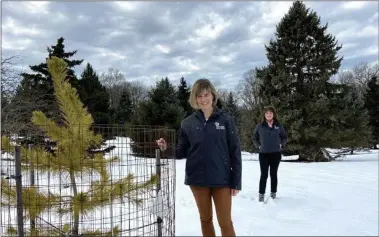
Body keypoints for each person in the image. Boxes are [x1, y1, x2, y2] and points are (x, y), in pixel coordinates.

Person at [156, 78, 242, 237]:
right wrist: (166, 149)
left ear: (213, 96)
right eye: (199, 96)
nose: (204, 99)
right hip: (197, 179)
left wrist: (236, 181)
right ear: (195, 99)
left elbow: (235, 151)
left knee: (225, 222)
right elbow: (182, 151)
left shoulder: (225, 120)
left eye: (206, 94)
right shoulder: (187, 123)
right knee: (206, 220)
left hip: (221, 179)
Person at [252, 106, 287, 202]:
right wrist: (258, 146)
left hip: (276, 154)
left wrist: (281, 144)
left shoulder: (278, 125)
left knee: (273, 174)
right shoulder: (260, 126)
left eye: (270, 113)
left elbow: (284, 137)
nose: (269, 114)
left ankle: (273, 193)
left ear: (273, 114)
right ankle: (261, 195)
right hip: (263, 154)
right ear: (264, 115)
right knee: (264, 175)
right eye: (267, 113)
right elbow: (254, 138)